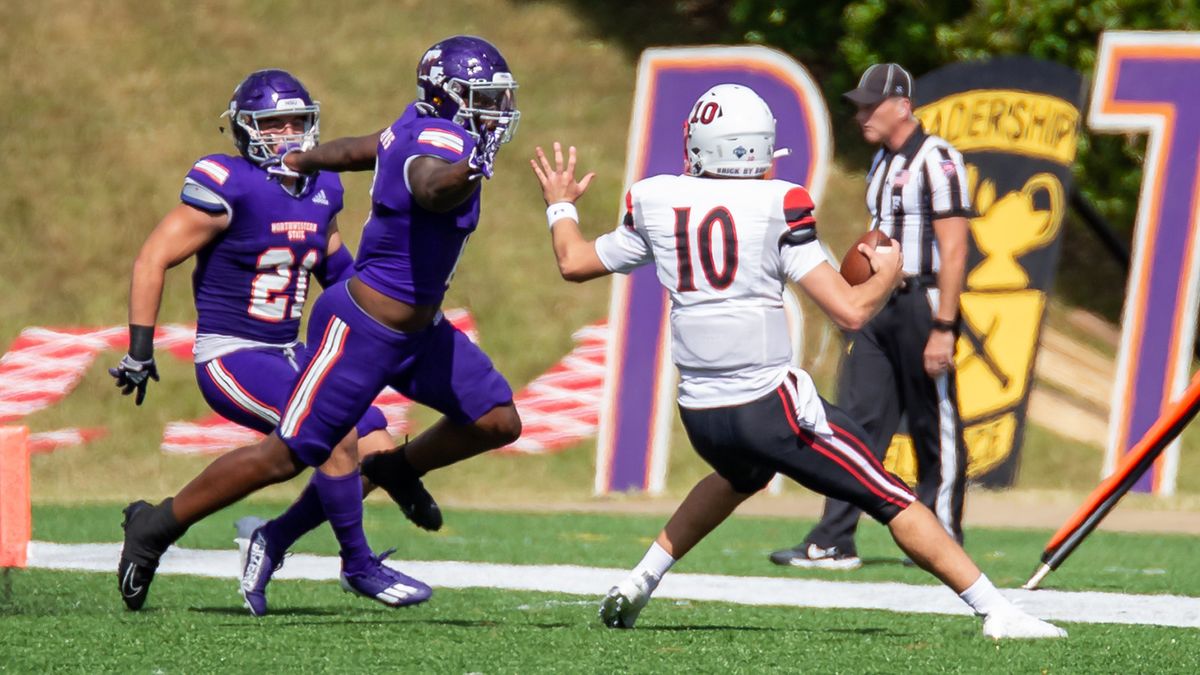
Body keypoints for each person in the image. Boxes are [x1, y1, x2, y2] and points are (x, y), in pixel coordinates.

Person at [530, 84, 1063, 639]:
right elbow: (852, 311)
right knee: (892, 495)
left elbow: (575, 261)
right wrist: (889, 273)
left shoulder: (657, 199)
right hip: (769, 405)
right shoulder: (778, 205)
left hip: (701, 412)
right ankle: (998, 611)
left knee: (740, 474)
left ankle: (641, 578)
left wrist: (561, 203)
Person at [116, 38, 522, 615]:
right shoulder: (226, 185)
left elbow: (339, 258)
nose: (286, 135)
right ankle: (177, 530)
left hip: (300, 347)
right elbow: (153, 257)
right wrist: (139, 347)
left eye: (295, 123)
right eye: (273, 124)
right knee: (323, 444)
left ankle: (293, 528)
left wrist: (385, 311)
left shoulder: (320, 192)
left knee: (382, 439)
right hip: (233, 352)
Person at [770, 63, 972, 570]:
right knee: (854, 420)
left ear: (902, 104)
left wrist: (944, 327)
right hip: (883, 301)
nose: (860, 114)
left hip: (923, 300)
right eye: (858, 104)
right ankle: (835, 537)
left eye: (870, 104)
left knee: (933, 421)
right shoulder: (882, 162)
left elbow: (954, 248)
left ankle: (942, 533)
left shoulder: (938, 159)